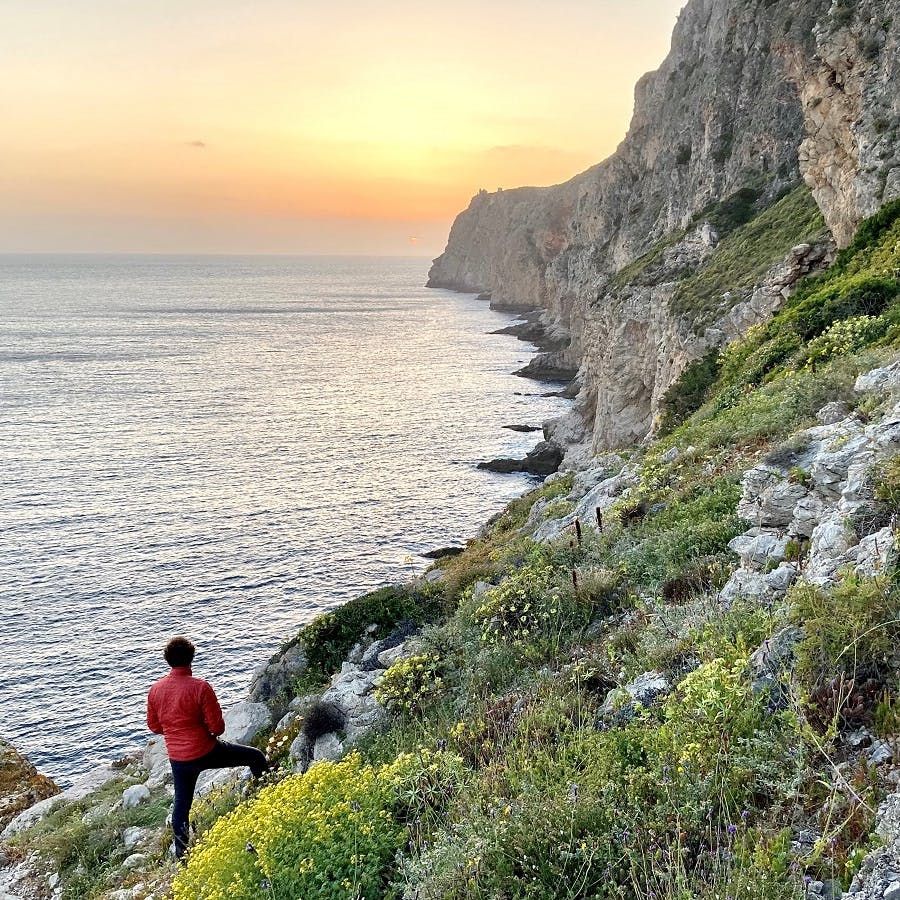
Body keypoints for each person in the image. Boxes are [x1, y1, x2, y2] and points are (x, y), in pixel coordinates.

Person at [146, 636, 270, 859]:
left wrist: (176, 731)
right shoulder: (200, 687)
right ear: (191, 658)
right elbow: (217, 727)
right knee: (256, 757)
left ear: (168, 660)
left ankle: (183, 855)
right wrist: (202, 732)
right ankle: (267, 798)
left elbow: (154, 726)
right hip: (206, 751)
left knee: (181, 807)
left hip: (179, 760)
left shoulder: (155, 690)